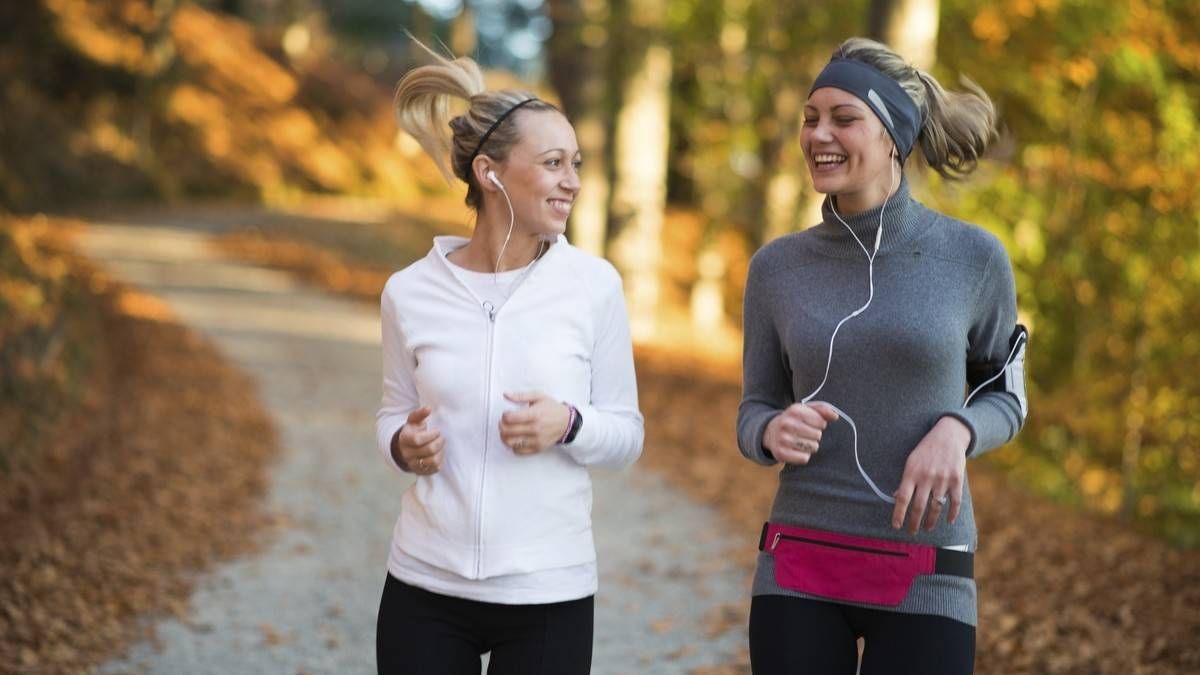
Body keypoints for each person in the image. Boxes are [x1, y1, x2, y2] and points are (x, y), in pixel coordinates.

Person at [737, 37, 1028, 674]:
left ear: (893, 134)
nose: (818, 134)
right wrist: (771, 430)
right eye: (810, 118)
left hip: (926, 564)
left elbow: (1005, 395)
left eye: (844, 118)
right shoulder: (777, 268)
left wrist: (958, 429)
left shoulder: (974, 258)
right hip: (799, 563)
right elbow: (754, 408)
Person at [375, 47, 644, 675]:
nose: (573, 181)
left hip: (548, 592)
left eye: (575, 163)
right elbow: (391, 412)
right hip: (425, 586)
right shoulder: (409, 291)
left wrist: (569, 424)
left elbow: (627, 435)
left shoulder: (594, 286)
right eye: (553, 164)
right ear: (491, 174)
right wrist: (400, 444)